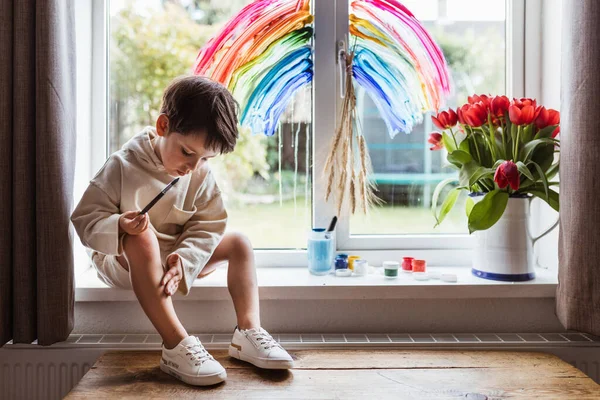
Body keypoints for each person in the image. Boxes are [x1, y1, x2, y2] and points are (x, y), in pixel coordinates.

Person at [71, 75, 293, 386]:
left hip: (173, 257)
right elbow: (84, 218)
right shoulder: (122, 165)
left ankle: (248, 332)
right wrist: (120, 225)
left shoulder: (199, 171)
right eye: (188, 152)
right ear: (163, 127)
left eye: (205, 158)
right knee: (141, 236)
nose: (193, 166)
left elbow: (208, 225)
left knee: (239, 243)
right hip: (123, 261)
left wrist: (185, 259)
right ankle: (176, 344)